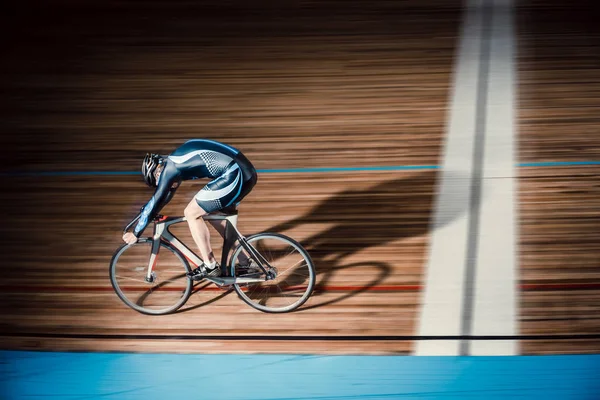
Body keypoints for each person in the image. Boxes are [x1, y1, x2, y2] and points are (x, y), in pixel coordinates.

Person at [122, 139, 258, 280]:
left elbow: (157, 199)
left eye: (158, 182)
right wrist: (146, 214)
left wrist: (136, 233)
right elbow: (162, 199)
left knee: (191, 213)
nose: (162, 183)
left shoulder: (170, 168)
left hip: (234, 173)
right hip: (245, 172)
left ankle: (210, 265)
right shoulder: (176, 162)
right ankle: (246, 263)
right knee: (217, 218)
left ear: (157, 172)